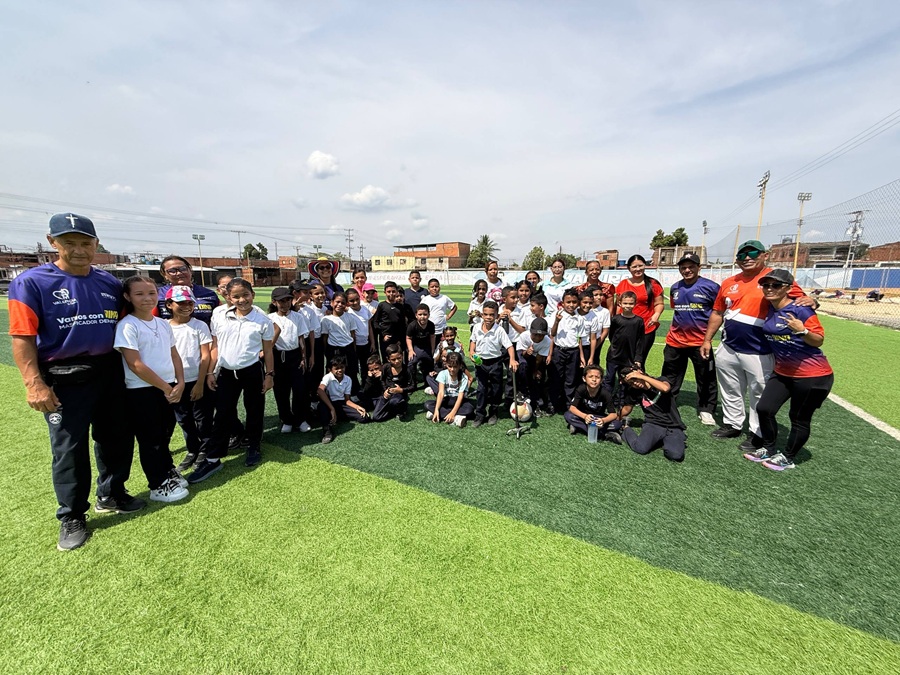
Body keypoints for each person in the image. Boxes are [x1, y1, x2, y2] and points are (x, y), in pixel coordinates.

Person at [9, 213, 140, 550]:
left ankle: (112, 493)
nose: (79, 250)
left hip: (109, 370)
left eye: (85, 243)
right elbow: (22, 337)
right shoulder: (31, 282)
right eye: (69, 243)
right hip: (64, 375)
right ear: (53, 243)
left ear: (96, 244)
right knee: (69, 448)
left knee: (117, 437)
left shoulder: (109, 282)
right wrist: (34, 384)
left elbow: (128, 326)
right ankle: (72, 514)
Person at [700, 240, 813, 445]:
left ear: (764, 255)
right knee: (730, 387)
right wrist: (707, 340)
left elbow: (801, 301)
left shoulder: (773, 279)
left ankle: (758, 432)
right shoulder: (729, 282)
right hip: (729, 345)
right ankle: (732, 424)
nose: (747, 258)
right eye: (742, 255)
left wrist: (813, 301)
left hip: (760, 349)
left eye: (752, 253)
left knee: (759, 392)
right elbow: (718, 312)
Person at [743, 269, 834, 471]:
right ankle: (768, 448)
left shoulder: (801, 310)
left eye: (776, 285)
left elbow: (818, 340)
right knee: (764, 408)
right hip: (783, 372)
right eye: (766, 285)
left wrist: (802, 330)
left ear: (788, 288)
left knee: (799, 418)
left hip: (812, 375)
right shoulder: (770, 307)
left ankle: (788, 457)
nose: (769, 289)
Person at [188, 278, 275, 482]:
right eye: (236, 296)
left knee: (254, 410)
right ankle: (213, 458)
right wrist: (210, 372)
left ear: (252, 295)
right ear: (228, 297)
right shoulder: (220, 316)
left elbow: (268, 350)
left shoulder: (262, 320)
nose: (242, 300)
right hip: (226, 372)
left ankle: (253, 446)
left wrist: (270, 375)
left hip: (252, 370)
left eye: (245, 295)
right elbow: (215, 346)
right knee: (223, 413)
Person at [114, 277, 190, 503]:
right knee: (151, 439)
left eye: (151, 293)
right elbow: (135, 364)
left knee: (165, 434)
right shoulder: (127, 325)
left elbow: (174, 354)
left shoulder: (162, 323)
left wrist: (180, 382)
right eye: (139, 294)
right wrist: (167, 387)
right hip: (142, 391)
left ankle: (167, 470)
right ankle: (157, 485)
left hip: (168, 388)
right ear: (127, 297)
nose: (147, 298)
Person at [661, 253, 720, 426]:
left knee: (706, 377)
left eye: (691, 267)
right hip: (675, 341)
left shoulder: (711, 287)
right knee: (670, 376)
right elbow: (677, 310)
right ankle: (668, 404)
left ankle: (706, 409)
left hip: (700, 342)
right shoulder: (675, 287)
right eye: (683, 267)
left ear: (699, 267)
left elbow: (718, 312)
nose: (687, 270)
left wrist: (708, 339)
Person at [166, 285, 215, 473]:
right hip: (174, 382)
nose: (186, 306)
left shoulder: (199, 325)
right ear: (169, 304)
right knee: (184, 419)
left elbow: (205, 355)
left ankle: (204, 449)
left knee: (202, 417)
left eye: (190, 303)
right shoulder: (164, 326)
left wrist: (200, 383)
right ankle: (192, 449)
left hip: (196, 379)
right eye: (181, 303)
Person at [619, 367, 686, 463]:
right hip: (653, 424)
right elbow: (626, 409)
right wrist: (615, 418)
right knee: (640, 448)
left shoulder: (661, 380)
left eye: (635, 379)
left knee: (675, 455)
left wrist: (641, 376)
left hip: (673, 425)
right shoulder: (634, 392)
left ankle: (663, 440)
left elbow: (665, 388)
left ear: (640, 372)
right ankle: (626, 429)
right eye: (631, 383)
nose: (635, 383)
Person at [268, 287, 310, 434]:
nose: (285, 304)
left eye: (287, 300)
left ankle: (300, 419)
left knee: (299, 389)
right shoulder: (270, 318)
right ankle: (286, 419)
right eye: (281, 301)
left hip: (295, 356)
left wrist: (303, 357)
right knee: (281, 390)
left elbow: (301, 338)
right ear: (274, 302)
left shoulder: (297, 317)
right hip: (278, 357)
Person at [469, 300, 518, 427]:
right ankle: (480, 414)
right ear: (482, 315)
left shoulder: (499, 330)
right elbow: (473, 342)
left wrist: (512, 359)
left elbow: (509, 346)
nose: (488, 317)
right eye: (486, 314)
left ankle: (493, 412)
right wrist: (471, 352)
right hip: (481, 363)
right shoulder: (476, 328)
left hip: (495, 362)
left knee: (496, 389)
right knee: (481, 389)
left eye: (492, 315)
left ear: (496, 315)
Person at [615, 255, 664, 366]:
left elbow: (659, 303)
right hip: (625, 328)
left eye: (640, 266)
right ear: (629, 268)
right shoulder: (623, 284)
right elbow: (618, 305)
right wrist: (616, 322)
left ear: (645, 266)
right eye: (634, 267)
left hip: (646, 328)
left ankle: (639, 377)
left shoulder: (653, 284)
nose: (638, 269)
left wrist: (656, 315)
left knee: (638, 361)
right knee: (623, 360)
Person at [548, 288, 587, 411]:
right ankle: (553, 403)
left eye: (574, 302)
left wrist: (581, 356)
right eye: (568, 302)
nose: (571, 305)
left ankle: (569, 404)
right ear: (563, 303)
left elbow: (579, 339)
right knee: (556, 377)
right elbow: (552, 334)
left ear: (578, 303)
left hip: (573, 352)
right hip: (559, 351)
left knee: (571, 379)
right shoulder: (558, 315)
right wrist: (557, 322)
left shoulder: (579, 318)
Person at [317, 355, 369, 443]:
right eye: (336, 368)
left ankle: (336, 417)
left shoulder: (348, 379)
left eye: (342, 367)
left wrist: (357, 407)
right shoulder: (328, 377)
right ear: (330, 370)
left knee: (364, 417)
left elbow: (347, 400)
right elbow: (320, 390)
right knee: (321, 407)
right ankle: (327, 431)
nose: (340, 370)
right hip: (329, 403)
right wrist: (332, 409)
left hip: (341, 404)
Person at [155, 255, 220, 325]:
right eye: (172, 271)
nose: (179, 273)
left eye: (183, 269)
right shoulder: (157, 294)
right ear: (164, 275)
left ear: (190, 270)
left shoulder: (209, 294)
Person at [564, 365, 621, 442]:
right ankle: (604, 434)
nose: (594, 379)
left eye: (597, 377)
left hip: (598, 418)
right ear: (584, 378)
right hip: (584, 416)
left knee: (617, 424)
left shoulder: (605, 393)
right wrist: (585, 416)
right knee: (568, 415)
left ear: (601, 380)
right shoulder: (581, 389)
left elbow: (613, 414)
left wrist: (603, 420)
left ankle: (579, 427)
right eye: (590, 377)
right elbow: (572, 408)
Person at [603, 291, 644, 395]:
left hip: (629, 358)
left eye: (631, 303)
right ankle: (607, 399)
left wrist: (638, 358)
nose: (628, 306)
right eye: (625, 303)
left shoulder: (639, 321)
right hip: (614, 356)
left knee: (625, 380)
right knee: (609, 379)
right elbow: (612, 336)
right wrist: (615, 348)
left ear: (635, 304)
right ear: (620, 303)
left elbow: (640, 341)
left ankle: (621, 399)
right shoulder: (615, 319)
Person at [425, 352, 474, 427]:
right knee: (427, 404)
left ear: (460, 366)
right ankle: (457, 417)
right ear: (446, 364)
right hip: (446, 400)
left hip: (458, 401)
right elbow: (441, 393)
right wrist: (436, 409)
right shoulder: (442, 374)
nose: (452, 369)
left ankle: (444, 414)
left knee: (469, 408)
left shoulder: (464, 377)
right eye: (450, 366)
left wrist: (452, 413)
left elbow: (460, 397)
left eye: (455, 367)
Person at [517, 317, 553, 414]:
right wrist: (527, 352)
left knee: (537, 378)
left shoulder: (547, 341)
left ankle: (535, 404)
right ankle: (522, 392)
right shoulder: (524, 336)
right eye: (535, 334)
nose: (537, 338)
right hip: (524, 355)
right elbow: (522, 354)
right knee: (523, 366)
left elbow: (539, 359)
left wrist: (535, 371)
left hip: (537, 358)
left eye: (540, 335)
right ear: (530, 332)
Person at [373, 281, 415, 360]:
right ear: (385, 292)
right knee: (386, 360)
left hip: (398, 340)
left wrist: (401, 339)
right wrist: (383, 334)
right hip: (385, 339)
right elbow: (375, 322)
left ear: (396, 292)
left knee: (398, 360)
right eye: (389, 292)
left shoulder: (400, 306)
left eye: (393, 291)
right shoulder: (382, 305)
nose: (391, 294)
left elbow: (402, 324)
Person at [374, 344, 414, 421]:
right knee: (376, 417)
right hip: (387, 395)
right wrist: (385, 390)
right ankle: (396, 411)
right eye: (393, 359)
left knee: (394, 401)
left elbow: (413, 386)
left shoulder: (407, 369)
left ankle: (401, 407)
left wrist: (401, 390)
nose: (397, 361)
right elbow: (382, 380)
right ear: (388, 359)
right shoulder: (386, 367)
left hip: (399, 396)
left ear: (402, 355)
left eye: (399, 358)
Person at [406, 304, 436, 388]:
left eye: (425, 314)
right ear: (416, 315)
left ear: (429, 315)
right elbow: (408, 338)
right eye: (420, 314)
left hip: (426, 347)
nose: (422, 317)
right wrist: (410, 350)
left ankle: (428, 382)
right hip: (416, 347)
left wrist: (432, 349)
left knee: (429, 362)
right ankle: (412, 383)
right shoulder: (412, 325)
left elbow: (432, 336)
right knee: (411, 362)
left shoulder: (431, 325)